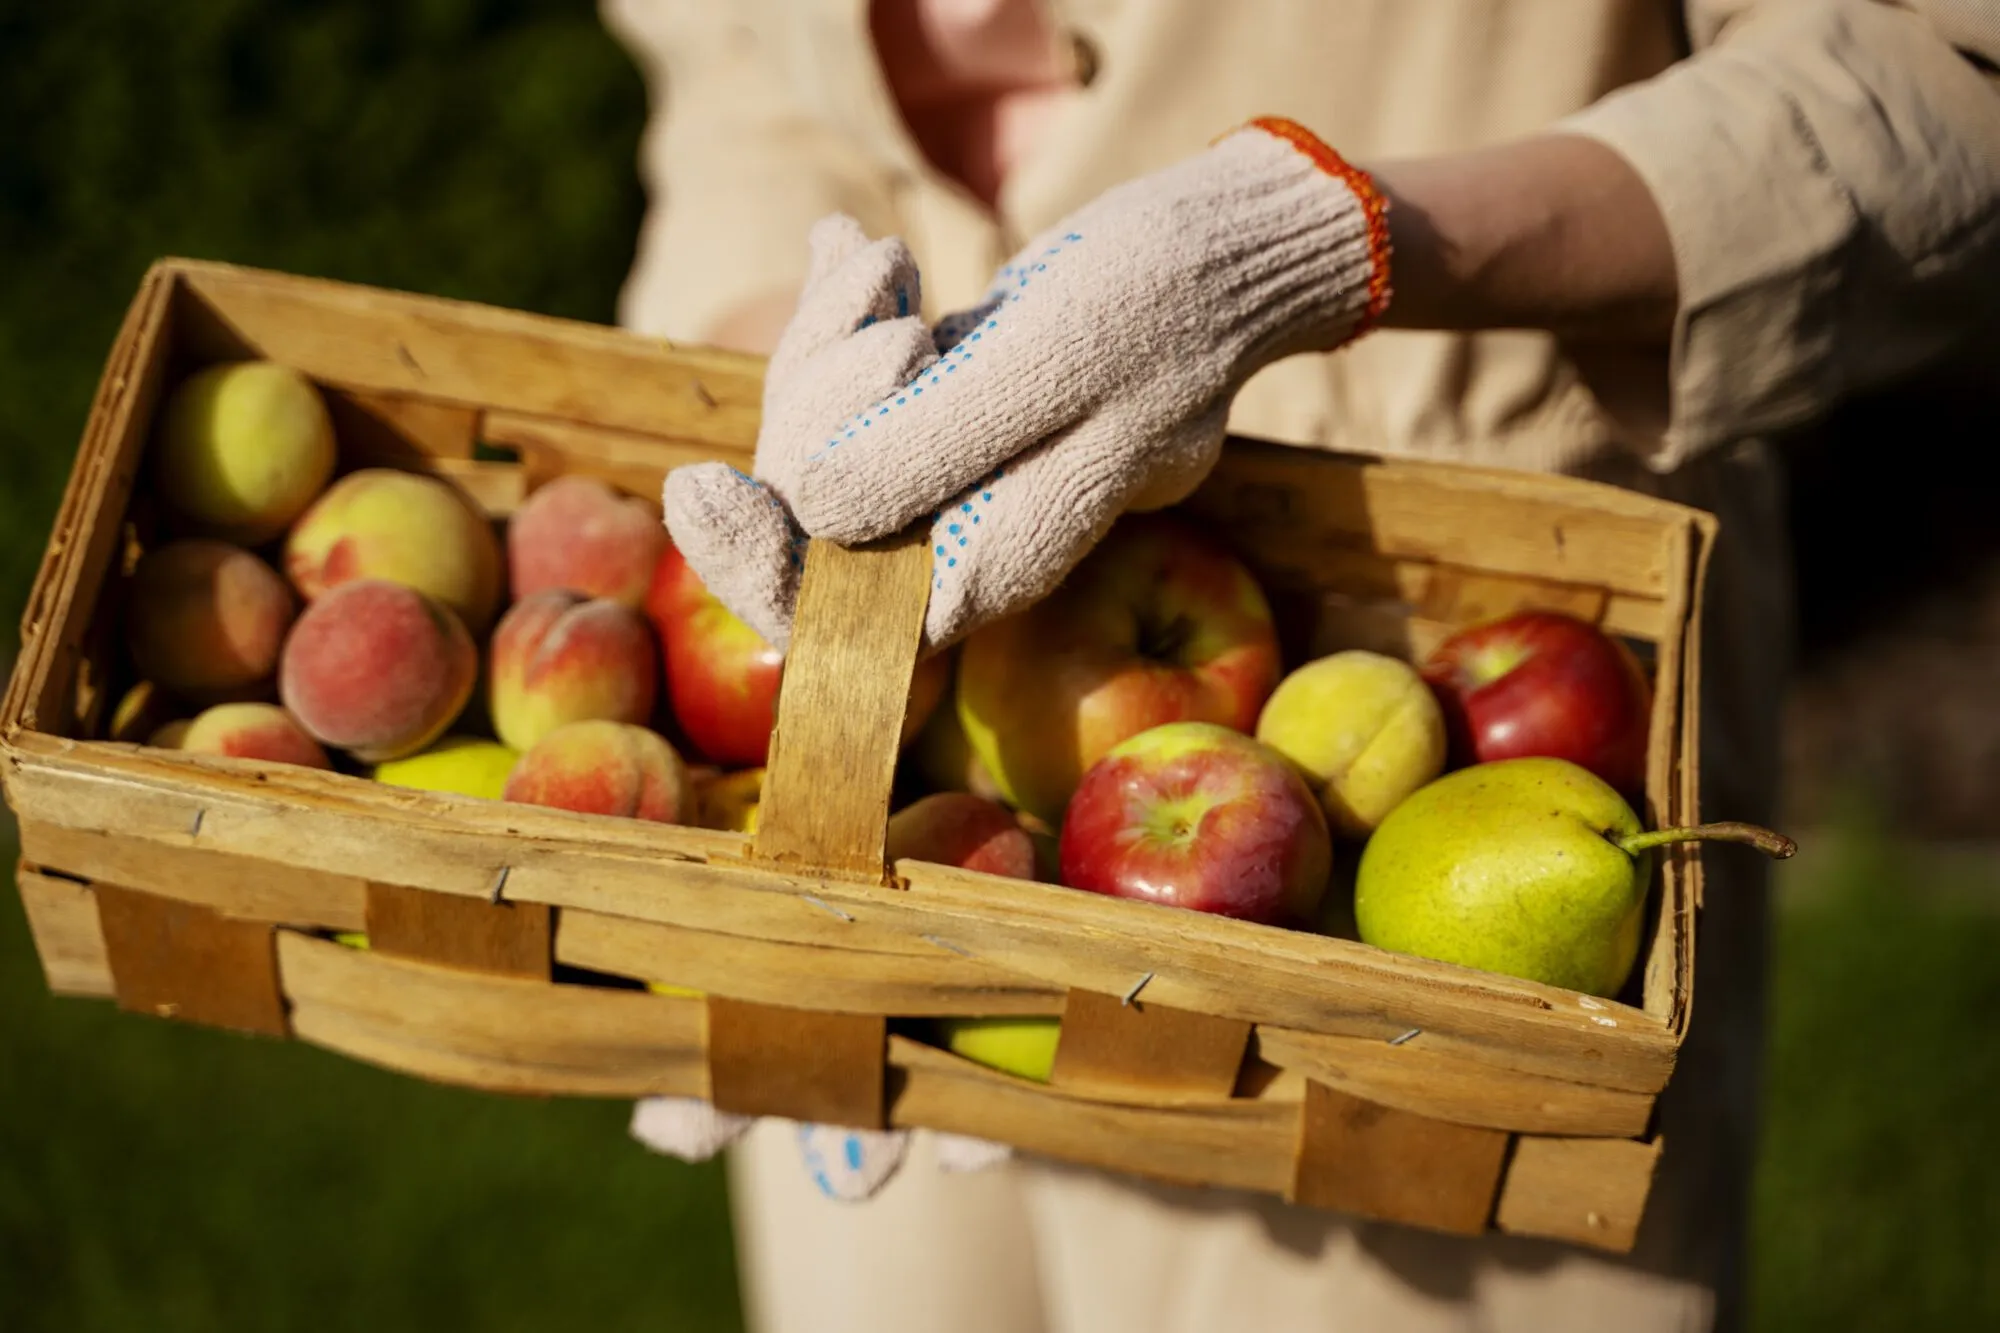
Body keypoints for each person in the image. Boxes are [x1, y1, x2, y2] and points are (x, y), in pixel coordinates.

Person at [598, 2, 2000, 1329]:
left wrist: (1314, 240)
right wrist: (785, 355)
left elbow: (1944, 71)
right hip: (873, 807)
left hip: (1413, 754)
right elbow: (733, 60)